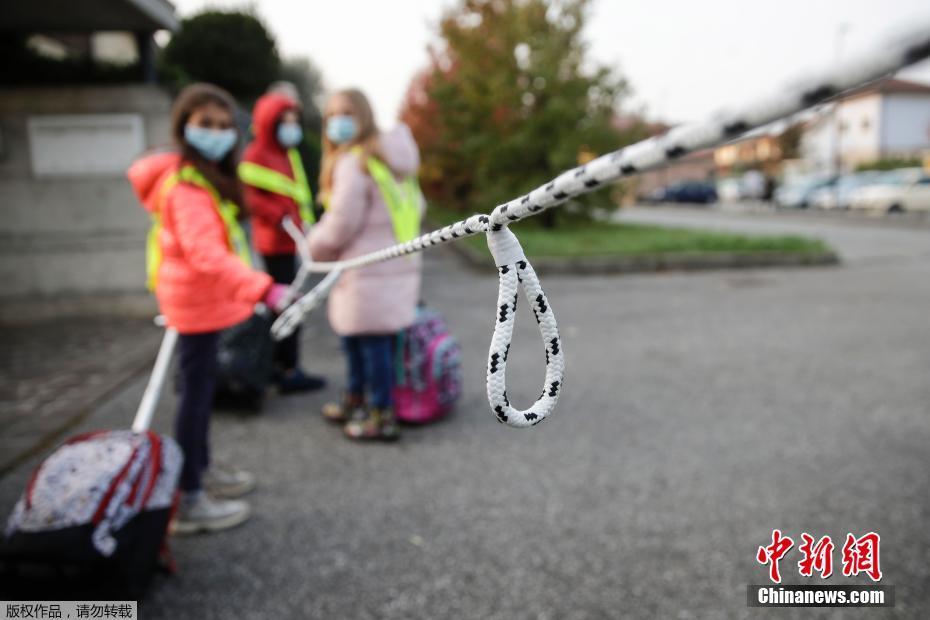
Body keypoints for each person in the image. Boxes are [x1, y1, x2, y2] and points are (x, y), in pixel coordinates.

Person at [127, 83, 290, 533]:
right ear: (184, 127)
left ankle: (199, 469)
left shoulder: (202, 179)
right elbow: (207, 255)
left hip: (203, 301)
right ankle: (189, 496)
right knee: (196, 400)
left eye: (224, 126)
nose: (217, 134)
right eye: (205, 125)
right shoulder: (187, 188)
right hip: (195, 305)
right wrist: (262, 288)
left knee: (201, 395)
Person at [309, 88, 423, 441]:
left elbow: (341, 222)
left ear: (364, 115)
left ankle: (378, 413)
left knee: (367, 345)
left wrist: (313, 248)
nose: (337, 122)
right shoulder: (390, 161)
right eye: (331, 116)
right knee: (369, 342)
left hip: (366, 270)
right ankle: (360, 401)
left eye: (346, 113)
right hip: (394, 264)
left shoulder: (354, 162)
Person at [239, 92, 326, 393]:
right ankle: (285, 371)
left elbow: (294, 195)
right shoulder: (257, 154)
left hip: (291, 241)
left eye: (294, 120)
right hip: (275, 243)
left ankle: (282, 367)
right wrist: (280, 216)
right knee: (287, 305)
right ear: (270, 123)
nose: (292, 126)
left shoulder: (286, 154)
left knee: (289, 303)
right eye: (285, 121)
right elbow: (250, 197)